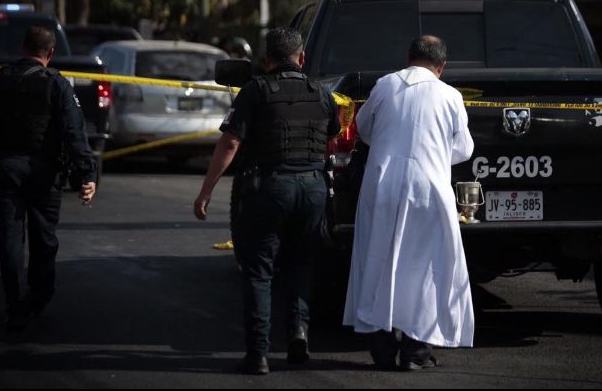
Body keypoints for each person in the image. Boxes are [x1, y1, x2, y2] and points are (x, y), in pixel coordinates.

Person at [193, 27, 340, 375]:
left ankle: (258, 354)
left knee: (259, 272)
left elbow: (230, 143)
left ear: (265, 60)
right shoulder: (321, 92)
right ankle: (298, 334)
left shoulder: (255, 90)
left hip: (270, 188)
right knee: (300, 265)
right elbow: (333, 133)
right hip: (313, 188)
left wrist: (206, 191)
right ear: (301, 58)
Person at [342, 35, 475, 371]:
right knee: (426, 268)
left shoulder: (385, 85)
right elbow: (463, 149)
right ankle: (416, 352)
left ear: (408, 57)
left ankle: (382, 347)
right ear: (441, 67)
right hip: (431, 190)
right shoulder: (450, 95)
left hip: (382, 187)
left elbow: (363, 128)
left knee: (377, 262)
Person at [0, 25, 98, 331]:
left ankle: (13, 302)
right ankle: (38, 297)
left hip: (5, 170)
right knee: (44, 239)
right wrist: (86, 175)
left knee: (9, 241)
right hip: (44, 173)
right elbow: (74, 132)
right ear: (50, 53)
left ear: (23, 48)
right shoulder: (57, 84)